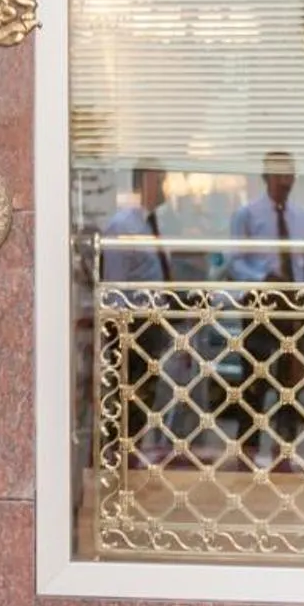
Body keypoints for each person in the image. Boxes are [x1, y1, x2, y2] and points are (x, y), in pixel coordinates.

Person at [224, 152, 304, 469]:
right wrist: (263, 279)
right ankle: (246, 454)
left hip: (294, 306)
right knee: (254, 379)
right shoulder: (247, 214)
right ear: (266, 176)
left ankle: (285, 454)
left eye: (289, 175)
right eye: (279, 175)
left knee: (291, 380)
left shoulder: (303, 216)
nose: (285, 182)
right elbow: (234, 262)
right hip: (261, 303)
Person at [103, 163, 188, 461]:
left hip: (152, 321)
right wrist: (123, 326)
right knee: (130, 391)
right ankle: (121, 454)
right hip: (133, 322)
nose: (165, 187)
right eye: (162, 180)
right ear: (147, 181)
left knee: (145, 391)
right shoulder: (122, 226)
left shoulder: (153, 223)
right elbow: (114, 283)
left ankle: (134, 451)